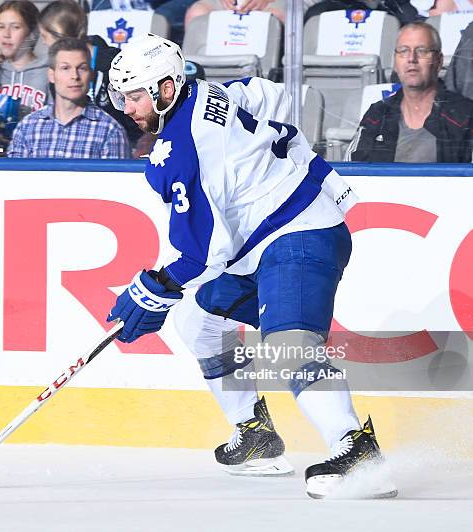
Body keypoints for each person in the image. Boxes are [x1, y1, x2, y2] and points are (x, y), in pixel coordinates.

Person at [105, 33, 397, 499]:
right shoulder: (205, 91)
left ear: (164, 87)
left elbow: (202, 253)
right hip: (262, 246)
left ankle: (355, 448)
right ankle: (255, 435)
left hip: (300, 234)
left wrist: (153, 288)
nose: (127, 107)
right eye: (122, 95)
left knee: (289, 342)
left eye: (135, 94)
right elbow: (266, 92)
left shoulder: (181, 151)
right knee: (197, 318)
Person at [347, 21, 473, 162]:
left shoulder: (466, 116)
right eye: (403, 51)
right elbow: (350, 173)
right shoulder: (377, 115)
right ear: (395, 62)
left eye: (422, 51)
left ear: (439, 61)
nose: (412, 59)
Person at [38, 0, 143, 151]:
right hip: (77, 147)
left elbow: (134, 116)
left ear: (60, 36)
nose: (43, 42)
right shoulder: (59, 71)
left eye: (44, 36)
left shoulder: (115, 65)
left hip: (122, 145)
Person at [7, 37, 130, 158]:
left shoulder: (111, 131)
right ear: (51, 75)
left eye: (82, 68)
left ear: (91, 75)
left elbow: (114, 178)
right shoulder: (27, 127)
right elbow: (13, 177)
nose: (74, 76)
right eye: (65, 68)